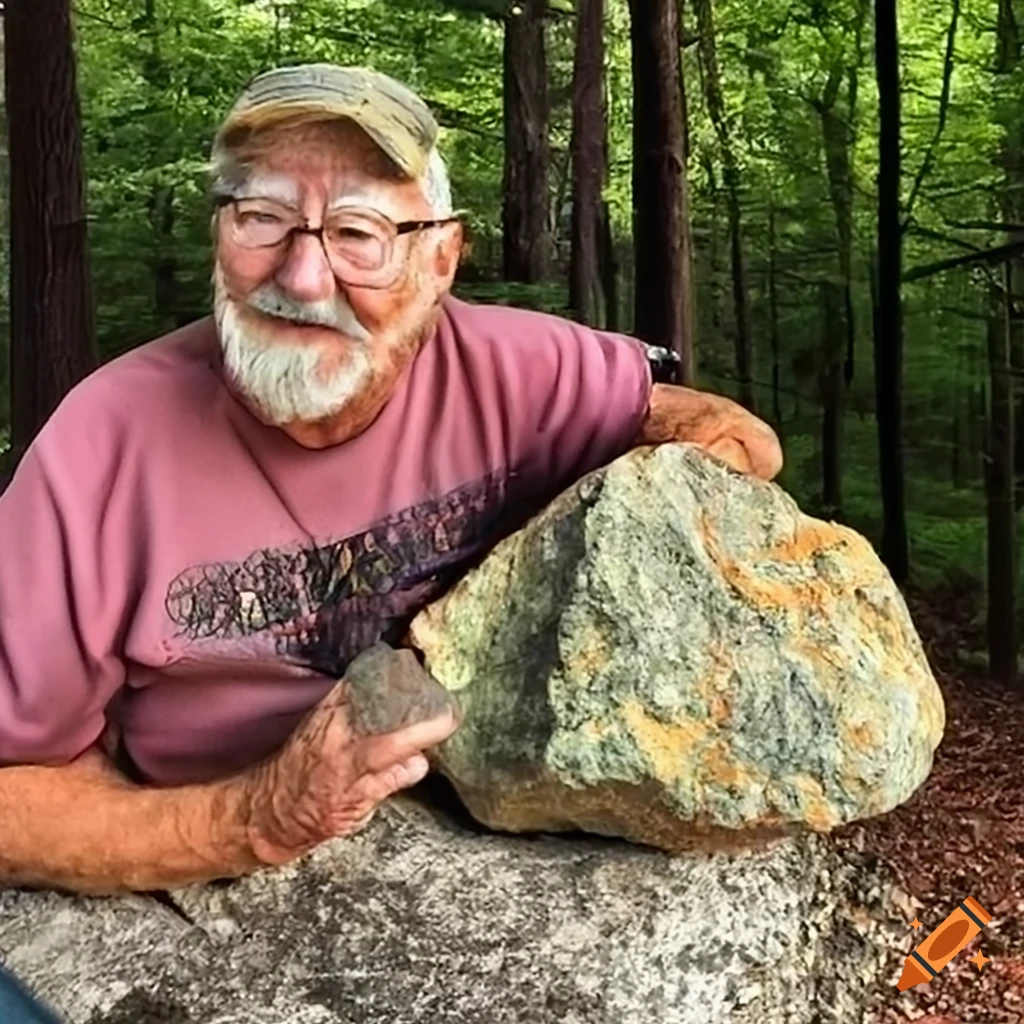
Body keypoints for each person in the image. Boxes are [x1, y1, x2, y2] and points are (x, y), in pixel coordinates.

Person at [0, 64, 782, 895]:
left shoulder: (516, 371)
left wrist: (659, 545)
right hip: (211, 867)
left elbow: (735, 437)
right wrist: (259, 817)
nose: (301, 278)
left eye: (359, 232)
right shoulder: (103, 445)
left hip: (501, 844)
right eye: (261, 218)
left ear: (440, 257)